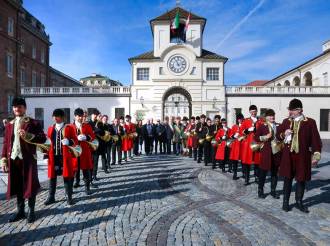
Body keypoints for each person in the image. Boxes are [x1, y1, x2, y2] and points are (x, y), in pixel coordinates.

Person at [1, 97, 46, 223]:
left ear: (24, 108)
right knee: (17, 185)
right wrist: (4, 160)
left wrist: (28, 136)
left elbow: (42, 138)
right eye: (15, 107)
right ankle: (20, 211)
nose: (17, 109)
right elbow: (5, 143)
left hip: (28, 159)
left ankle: (31, 211)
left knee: (30, 185)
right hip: (14, 159)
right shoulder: (9, 125)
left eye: (20, 106)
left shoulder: (33, 122)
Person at [277, 99, 322, 213]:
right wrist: (284, 133)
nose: (290, 112)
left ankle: (299, 202)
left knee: (301, 179)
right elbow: (278, 136)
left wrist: (316, 155)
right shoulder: (286, 121)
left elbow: (315, 140)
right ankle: (285, 202)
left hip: (302, 156)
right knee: (287, 179)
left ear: (299, 110)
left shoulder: (310, 122)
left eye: (292, 110)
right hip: (288, 155)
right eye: (290, 110)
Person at [44, 109, 78, 206]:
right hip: (53, 156)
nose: (55, 118)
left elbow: (75, 140)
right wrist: (46, 154)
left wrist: (69, 142)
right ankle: (51, 196)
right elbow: (48, 143)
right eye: (54, 116)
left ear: (62, 117)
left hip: (65, 157)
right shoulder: (50, 128)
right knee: (52, 177)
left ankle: (69, 197)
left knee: (67, 176)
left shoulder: (69, 127)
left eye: (57, 116)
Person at [255, 109, 282, 199]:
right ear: (266, 117)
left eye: (273, 115)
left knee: (274, 173)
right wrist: (265, 137)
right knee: (263, 172)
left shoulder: (278, 125)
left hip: (276, 152)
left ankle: (273, 191)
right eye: (270, 116)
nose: (272, 117)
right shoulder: (263, 126)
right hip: (266, 152)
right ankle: (260, 190)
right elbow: (256, 137)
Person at [72, 108, 95, 195]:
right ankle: (73, 186)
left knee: (86, 170)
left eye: (82, 116)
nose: (81, 118)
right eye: (79, 116)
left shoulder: (87, 126)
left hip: (84, 151)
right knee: (74, 170)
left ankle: (87, 187)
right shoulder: (70, 126)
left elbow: (92, 137)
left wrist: (86, 137)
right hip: (74, 151)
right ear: (75, 116)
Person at [240, 105, 264, 185]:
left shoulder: (260, 121)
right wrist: (247, 130)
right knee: (247, 161)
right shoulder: (246, 121)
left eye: (255, 111)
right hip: (248, 143)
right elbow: (241, 131)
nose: (253, 113)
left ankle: (257, 176)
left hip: (257, 143)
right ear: (250, 112)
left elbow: (263, 131)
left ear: (257, 112)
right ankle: (247, 178)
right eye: (252, 111)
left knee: (257, 161)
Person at [88, 109, 104, 181]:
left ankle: (94, 175)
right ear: (92, 115)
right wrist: (95, 130)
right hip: (90, 145)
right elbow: (89, 133)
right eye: (95, 115)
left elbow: (102, 133)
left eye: (96, 115)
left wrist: (96, 130)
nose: (95, 116)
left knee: (96, 161)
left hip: (97, 145)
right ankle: (89, 177)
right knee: (90, 162)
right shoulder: (88, 123)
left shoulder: (99, 123)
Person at [229, 113, 244, 180]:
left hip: (243, 145)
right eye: (239, 119)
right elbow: (230, 135)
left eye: (241, 119)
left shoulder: (244, 126)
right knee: (235, 161)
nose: (240, 120)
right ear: (237, 120)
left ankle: (244, 173)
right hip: (236, 146)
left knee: (243, 161)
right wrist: (234, 135)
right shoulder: (234, 126)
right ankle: (235, 174)